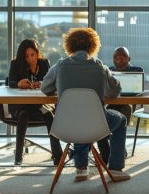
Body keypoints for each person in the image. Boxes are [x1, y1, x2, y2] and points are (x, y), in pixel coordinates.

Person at [41, 27, 130, 182]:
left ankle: (81, 168)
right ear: (93, 46)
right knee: (120, 119)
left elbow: (45, 88)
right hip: (95, 124)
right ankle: (115, 168)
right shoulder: (99, 66)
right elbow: (114, 92)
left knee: (78, 116)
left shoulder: (60, 66)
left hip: (65, 125)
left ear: (69, 46)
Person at [7, 39, 62, 165]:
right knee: (23, 115)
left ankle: (58, 157)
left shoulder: (44, 63)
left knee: (49, 115)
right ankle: (18, 157)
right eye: (26, 56)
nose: (30, 59)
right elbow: (10, 82)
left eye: (33, 55)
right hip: (22, 106)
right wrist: (18, 83)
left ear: (37, 53)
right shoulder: (16, 64)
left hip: (39, 105)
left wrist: (44, 84)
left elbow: (52, 83)